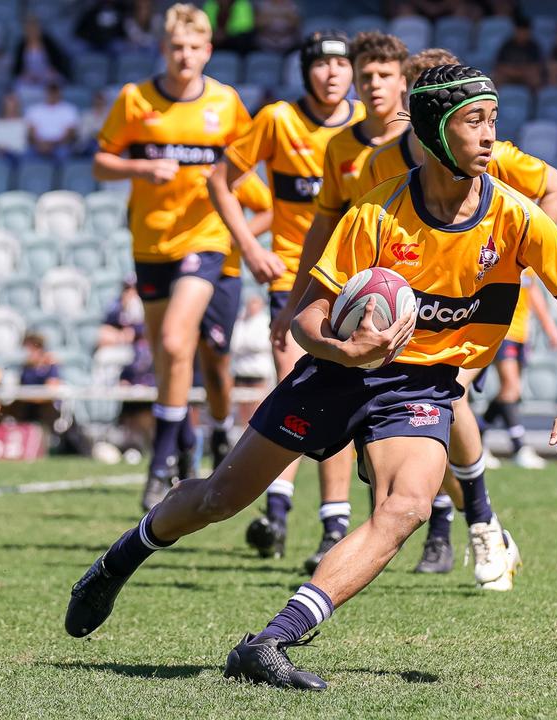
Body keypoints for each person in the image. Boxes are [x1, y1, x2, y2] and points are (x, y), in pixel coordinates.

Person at [64, 63, 557, 691]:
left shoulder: (514, 215)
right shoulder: (377, 212)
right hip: (336, 373)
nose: (490, 137)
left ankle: (273, 640)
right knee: (220, 499)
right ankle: (118, 560)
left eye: (493, 120)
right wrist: (346, 351)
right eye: (474, 122)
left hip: (421, 386)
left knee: (404, 506)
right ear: (435, 130)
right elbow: (309, 318)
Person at [339, 47, 557, 585]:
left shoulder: (492, 153)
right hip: (407, 319)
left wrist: (522, 260)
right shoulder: (380, 165)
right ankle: (453, 521)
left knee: (448, 396)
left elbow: (555, 187)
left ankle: (481, 521)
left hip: (471, 313)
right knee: (416, 426)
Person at [206, 30, 364, 560]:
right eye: (320, 65)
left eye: (341, 65)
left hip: (358, 285)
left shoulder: (371, 128)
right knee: (295, 388)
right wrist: (250, 245)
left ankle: (333, 528)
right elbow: (219, 180)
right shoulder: (277, 119)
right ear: (307, 72)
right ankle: (277, 516)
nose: (332, 74)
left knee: (336, 396)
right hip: (293, 282)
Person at [94, 4, 256, 510]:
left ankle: (160, 461)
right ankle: (188, 446)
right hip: (149, 243)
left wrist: (243, 234)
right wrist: (139, 169)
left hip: (206, 242)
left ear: (208, 51)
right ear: (163, 49)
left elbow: (248, 176)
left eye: (194, 47)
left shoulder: (227, 104)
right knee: (171, 356)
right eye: (176, 47)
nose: (185, 56)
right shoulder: (135, 99)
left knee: (174, 338)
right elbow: (101, 162)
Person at [263, 30, 407, 573]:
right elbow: (323, 227)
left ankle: (466, 519)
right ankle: (330, 523)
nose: (366, 83)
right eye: (363, 73)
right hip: (344, 293)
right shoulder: (342, 146)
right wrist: (296, 302)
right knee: (326, 395)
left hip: (415, 300)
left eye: (377, 74)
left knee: (437, 415)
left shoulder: (422, 148)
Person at [197, 170, 273, 471]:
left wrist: (234, 238)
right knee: (173, 352)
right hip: (175, 267)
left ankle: (219, 429)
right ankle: (174, 450)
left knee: (215, 365)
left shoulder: (232, 169)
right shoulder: (168, 155)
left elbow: (267, 209)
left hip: (221, 274)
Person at [482, 270, 557, 469]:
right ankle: (518, 447)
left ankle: (476, 437)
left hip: (521, 334)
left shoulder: (527, 265)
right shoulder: (498, 258)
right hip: (501, 331)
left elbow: (532, 291)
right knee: (511, 387)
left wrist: (548, 326)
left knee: (510, 392)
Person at [230, 293, 273, 427]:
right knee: (242, 408)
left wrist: (245, 345)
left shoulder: (265, 321)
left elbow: (262, 344)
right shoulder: (240, 321)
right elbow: (233, 344)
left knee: (256, 406)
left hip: (258, 372)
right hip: (240, 371)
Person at [13, 15, 70, 96]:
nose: (32, 31)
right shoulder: (21, 45)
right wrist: (26, 74)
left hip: (47, 74)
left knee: (56, 83)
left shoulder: (48, 42)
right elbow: (17, 67)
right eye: (29, 29)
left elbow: (59, 60)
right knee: (19, 86)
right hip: (30, 76)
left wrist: (52, 71)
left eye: (34, 28)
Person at [25, 83, 79, 161]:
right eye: (50, 91)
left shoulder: (69, 110)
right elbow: (31, 132)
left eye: (55, 91)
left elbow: (69, 133)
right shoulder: (34, 110)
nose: (52, 94)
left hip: (60, 145)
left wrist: (52, 145)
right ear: (46, 92)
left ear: (59, 93)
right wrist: (40, 144)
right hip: (39, 145)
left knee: (63, 153)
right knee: (27, 155)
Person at [494, 15, 543, 88]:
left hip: (526, 76)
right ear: (516, 31)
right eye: (520, 31)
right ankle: (495, 99)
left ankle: (535, 99)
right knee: (496, 78)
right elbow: (500, 66)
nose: (522, 34)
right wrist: (514, 72)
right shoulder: (507, 45)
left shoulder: (533, 46)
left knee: (536, 79)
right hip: (509, 75)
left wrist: (520, 72)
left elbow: (536, 67)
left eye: (525, 32)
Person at [0, 93, 28, 158]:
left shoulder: (23, 123)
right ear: (4, 105)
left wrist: (6, 148)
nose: (11, 107)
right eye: (9, 103)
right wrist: (0, 148)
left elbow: (22, 146)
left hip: (16, 156)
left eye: (14, 104)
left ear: (18, 105)